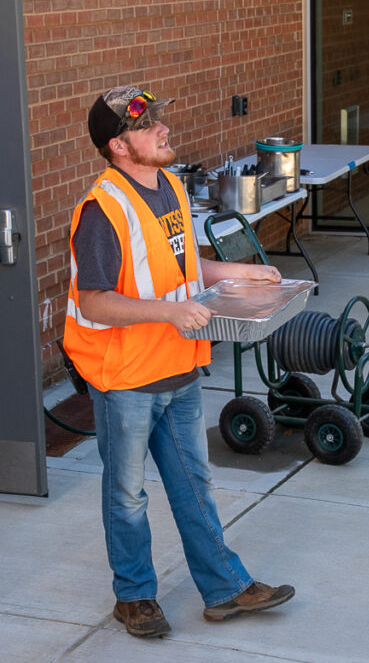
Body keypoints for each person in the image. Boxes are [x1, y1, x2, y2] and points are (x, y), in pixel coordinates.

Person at [63, 85, 295, 638]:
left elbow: (185, 265)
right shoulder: (103, 211)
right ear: (119, 146)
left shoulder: (167, 185)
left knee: (195, 485)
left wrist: (238, 272)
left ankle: (224, 589)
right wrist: (167, 316)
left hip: (179, 369)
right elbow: (94, 299)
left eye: (160, 119)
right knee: (128, 495)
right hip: (127, 379)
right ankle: (135, 596)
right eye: (148, 126)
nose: (163, 129)